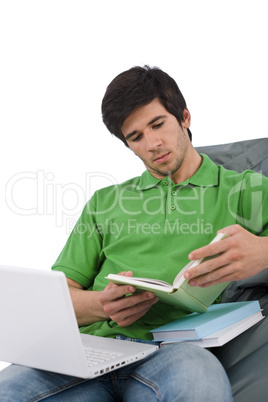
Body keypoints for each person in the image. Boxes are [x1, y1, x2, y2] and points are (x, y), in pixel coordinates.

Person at [1, 65, 268, 401]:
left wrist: (263, 251)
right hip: (90, 351)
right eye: (136, 136)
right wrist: (101, 305)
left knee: (199, 390)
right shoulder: (106, 201)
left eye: (158, 124)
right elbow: (58, 299)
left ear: (184, 117)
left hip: (174, 349)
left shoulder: (244, 189)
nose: (153, 144)